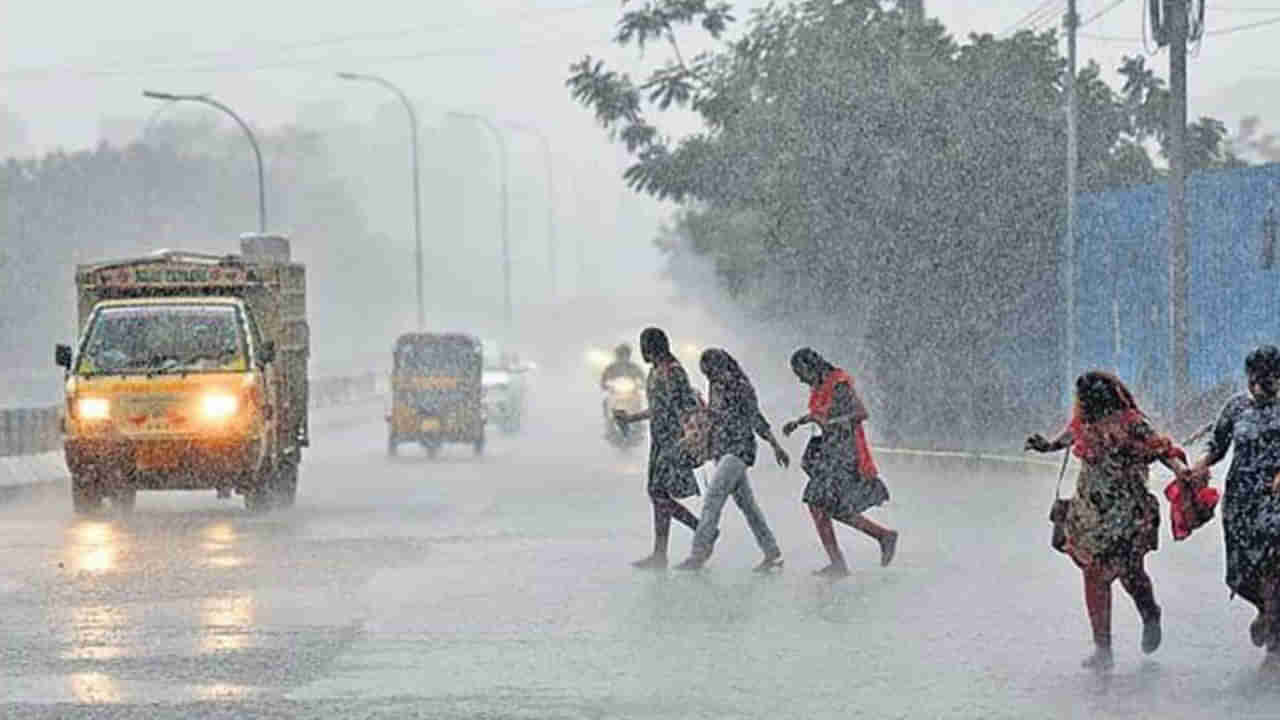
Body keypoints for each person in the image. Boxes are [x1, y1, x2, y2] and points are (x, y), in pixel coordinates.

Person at [1026, 370, 1191, 670]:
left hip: (1126, 513)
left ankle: (1149, 612)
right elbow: (1068, 436)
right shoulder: (1084, 422)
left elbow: (1162, 449)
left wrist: (1180, 470)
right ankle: (1103, 648)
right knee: (1094, 574)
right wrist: (1047, 445)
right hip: (1091, 513)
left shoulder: (1132, 423)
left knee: (1130, 572)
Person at [1187, 345, 1280, 667]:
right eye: (1253, 378)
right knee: (1240, 572)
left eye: (1267, 379)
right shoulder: (1237, 407)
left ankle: (1274, 638)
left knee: (1272, 561)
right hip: (1241, 499)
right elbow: (1218, 443)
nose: (1258, 386)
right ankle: (1266, 611)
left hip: (1275, 499)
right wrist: (1200, 465)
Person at [782, 348, 898, 578]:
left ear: (811, 366)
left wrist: (829, 422)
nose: (799, 378)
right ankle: (880, 537)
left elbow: (859, 413)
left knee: (818, 503)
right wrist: (799, 422)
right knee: (829, 507)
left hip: (843, 452)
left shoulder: (839, 385)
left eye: (800, 372)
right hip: (830, 452)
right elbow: (820, 413)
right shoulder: (820, 386)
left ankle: (843, 561)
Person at [673, 349, 789, 572]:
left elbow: (756, 417)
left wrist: (775, 445)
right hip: (722, 449)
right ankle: (772, 553)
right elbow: (717, 416)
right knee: (749, 507)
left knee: (713, 499)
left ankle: (698, 554)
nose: (711, 378)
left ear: (722, 366)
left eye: (712, 372)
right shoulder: (715, 387)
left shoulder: (740, 386)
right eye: (706, 375)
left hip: (739, 449)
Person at [615, 328, 704, 569]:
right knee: (659, 494)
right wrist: (631, 418)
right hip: (660, 440)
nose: (642, 351)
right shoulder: (655, 371)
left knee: (658, 493)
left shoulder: (673, 372)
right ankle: (660, 553)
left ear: (654, 346)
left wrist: (688, 437)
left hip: (674, 440)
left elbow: (680, 408)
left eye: (644, 346)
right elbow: (658, 409)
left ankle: (702, 529)